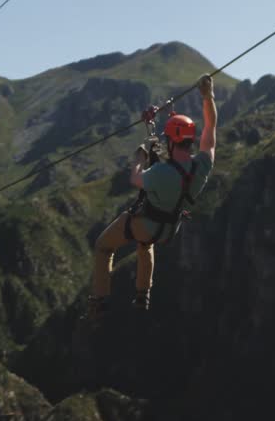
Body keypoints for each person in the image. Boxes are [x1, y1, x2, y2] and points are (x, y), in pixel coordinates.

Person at [87, 75, 217, 320]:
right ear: (190, 140)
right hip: (168, 229)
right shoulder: (202, 167)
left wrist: (139, 156)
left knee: (103, 247)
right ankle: (142, 294)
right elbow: (210, 128)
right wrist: (207, 96)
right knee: (145, 243)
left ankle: (99, 300)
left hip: (146, 224)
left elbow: (136, 179)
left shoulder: (160, 173)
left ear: (171, 140)